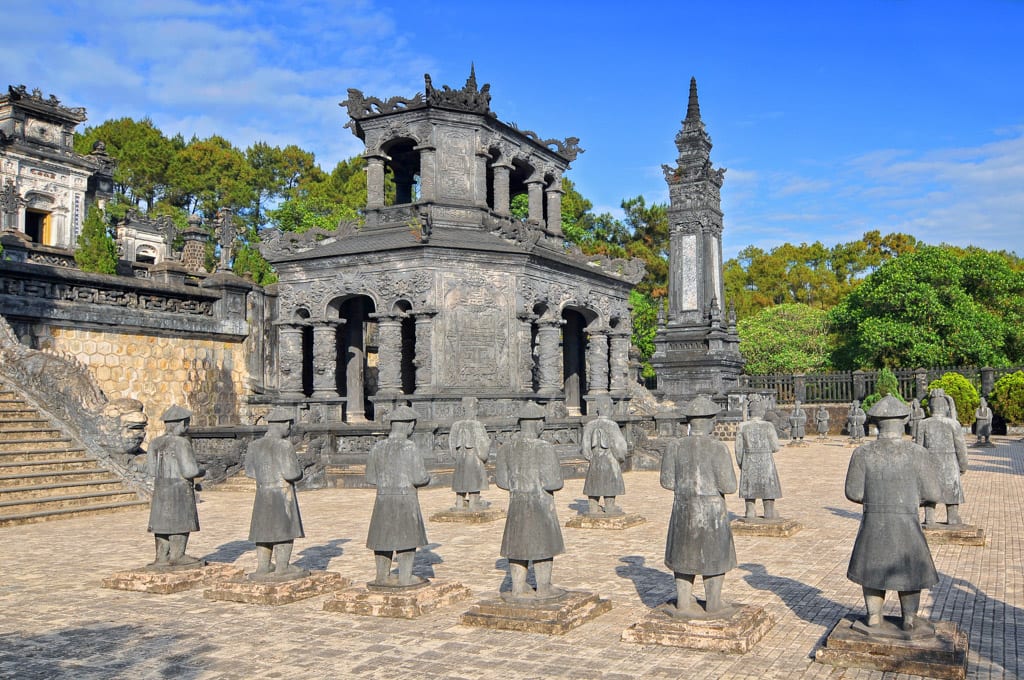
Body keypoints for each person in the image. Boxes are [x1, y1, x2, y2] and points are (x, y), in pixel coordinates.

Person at [845, 395, 941, 634]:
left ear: (875, 421)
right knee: (910, 569)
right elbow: (932, 492)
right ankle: (909, 617)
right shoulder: (917, 453)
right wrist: (910, 500)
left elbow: (854, 492)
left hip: (874, 521)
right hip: (906, 520)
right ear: (905, 420)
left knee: (872, 567)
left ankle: (873, 616)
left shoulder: (862, 453)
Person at [661, 395, 737, 617]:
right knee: (714, 555)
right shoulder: (718, 448)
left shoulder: (674, 446)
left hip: (683, 508)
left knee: (683, 554)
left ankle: (683, 602)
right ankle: (714, 602)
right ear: (711, 421)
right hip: (712, 511)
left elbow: (667, 481)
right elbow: (729, 485)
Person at [496, 402, 565, 600]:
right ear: (538, 423)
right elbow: (553, 482)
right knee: (544, 543)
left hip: (517, 504)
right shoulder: (544, 448)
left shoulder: (506, 449)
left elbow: (502, 481)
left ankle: (518, 587)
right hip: (540, 504)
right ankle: (544, 587)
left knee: (517, 544)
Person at [366, 404, 430, 586]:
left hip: (383, 498)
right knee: (406, 538)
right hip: (405, 499)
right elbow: (419, 477)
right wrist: (427, 478)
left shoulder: (377, 447)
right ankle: (405, 576)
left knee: (382, 538)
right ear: (409, 425)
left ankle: (381, 576)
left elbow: (371, 478)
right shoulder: (410, 447)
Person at [246, 407, 307, 581]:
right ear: (285, 424)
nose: (290, 428)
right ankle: (282, 567)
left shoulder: (254, 445)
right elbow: (291, 473)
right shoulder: (284, 445)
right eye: (289, 425)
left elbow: (250, 471)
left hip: (262, 492)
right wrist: (300, 473)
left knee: (263, 530)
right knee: (284, 529)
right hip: (281, 492)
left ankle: (263, 566)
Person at [147, 405, 204, 568]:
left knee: (162, 522)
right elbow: (189, 471)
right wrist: (202, 470)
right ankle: (178, 555)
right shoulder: (181, 443)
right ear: (182, 424)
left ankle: (161, 557)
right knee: (180, 520)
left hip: (161, 487)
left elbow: (151, 470)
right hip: (179, 488)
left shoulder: (154, 443)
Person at [914, 390, 968, 526]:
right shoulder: (953, 424)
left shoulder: (923, 424)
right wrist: (963, 465)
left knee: (929, 490)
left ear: (929, 408)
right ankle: (952, 518)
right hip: (950, 464)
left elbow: (919, 449)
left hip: (929, 463)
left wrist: (918, 467)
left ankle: (929, 518)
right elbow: (961, 447)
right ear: (946, 408)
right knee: (951, 492)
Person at [734, 396, 782, 520]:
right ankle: (769, 511)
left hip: (749, 461)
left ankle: (750, 511)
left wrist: (741, 464)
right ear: (762, 411)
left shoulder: (742, 426)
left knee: (749, 487)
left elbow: (738, 449)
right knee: (768, 486)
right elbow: (776, 447)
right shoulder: (768, 426)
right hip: (766, 461)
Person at [580, 395, 628, 515]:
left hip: (595, 460)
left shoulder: (590, 424)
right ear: (608, 408)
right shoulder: (612, 425)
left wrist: (589, 456)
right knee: (610, 483)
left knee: (593, 482)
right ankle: (609, 506)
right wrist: (620, 457)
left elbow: (584, 445)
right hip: (610, 459)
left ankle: (593, 507)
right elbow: (620, 445)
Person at [449, 397, 491, 511]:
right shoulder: (477, 425)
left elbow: (451, 443)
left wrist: (456, 456)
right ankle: (474, 502)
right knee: (474, 478)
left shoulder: (456, 425)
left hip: (460, 458)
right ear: (474, 409)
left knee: (460, 478)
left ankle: (459, 502)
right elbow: (482, 443)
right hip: (473, 458)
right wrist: (484, 454)